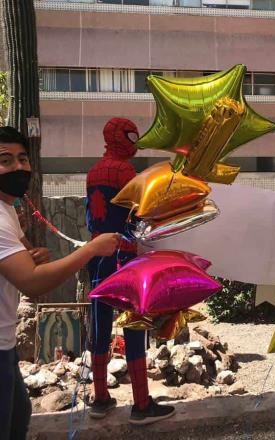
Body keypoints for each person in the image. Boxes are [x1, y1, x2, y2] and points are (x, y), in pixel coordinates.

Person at [0, 127, 120, 440]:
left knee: (17, 418)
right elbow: (32, 283)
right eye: (5, 160)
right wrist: (91, 249)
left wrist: (32, 254)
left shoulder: (2, 206)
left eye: (23, 158)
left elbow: (21, 254)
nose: (18, 167)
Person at [86, 117, 175, 424]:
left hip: (97, 254)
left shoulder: (93, 171)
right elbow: (139, 218)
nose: (136, 142)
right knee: (134, 326)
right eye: (132, 136)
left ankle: (100, 398)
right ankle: (141, 403)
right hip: (124, 257)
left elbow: (92, 217)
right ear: (121, 138)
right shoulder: (124, 171)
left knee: (99, 327)